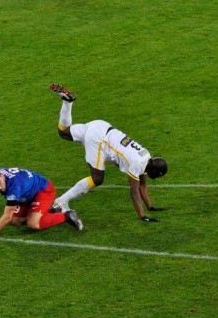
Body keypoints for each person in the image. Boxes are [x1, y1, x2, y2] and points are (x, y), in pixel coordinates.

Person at [49, 84, 169, 223]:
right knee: (97, 178)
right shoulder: (138, 164)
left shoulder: (145, 156)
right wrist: (143, 216)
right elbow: (134, 191)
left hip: (101, 126)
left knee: (63, 132)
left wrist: (150, 207)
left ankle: (67, 101)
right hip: (99, 140)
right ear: (154, 171)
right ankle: (61, 202)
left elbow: (143, 185)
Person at [0, 167, 83, 238]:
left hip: (43, 191)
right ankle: (52, 210)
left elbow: (7, 216)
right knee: (15, 220)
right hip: (27, 195)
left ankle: (66, 216)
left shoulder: (14, 186)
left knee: (33, 224)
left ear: (2, 175)